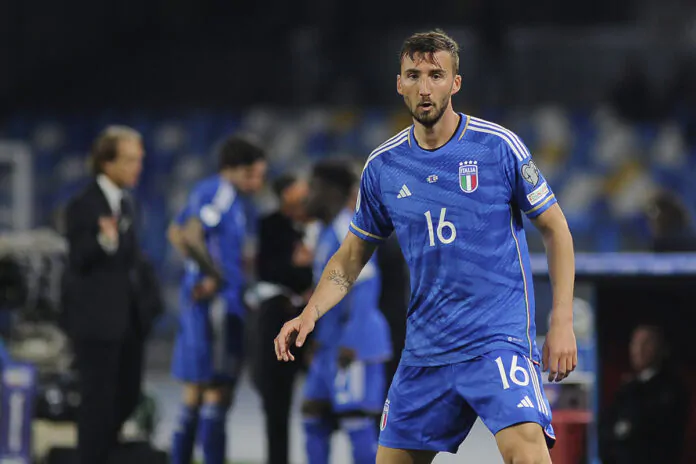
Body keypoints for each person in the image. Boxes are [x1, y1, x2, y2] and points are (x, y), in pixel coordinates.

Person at [275, 29, 577, 464]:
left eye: (436, 75)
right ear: (399, 83)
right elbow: (351, 257)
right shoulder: (384, 166)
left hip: (496, 341)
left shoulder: (497, 147)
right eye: (413, 75)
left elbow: (556, 229)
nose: (424, 87)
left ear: (455, 83)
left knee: (526, 453)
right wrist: (310, 313)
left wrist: (561, 319)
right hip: (426, 351)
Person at [167, 135, 267, 464]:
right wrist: (212, 275)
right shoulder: (218, 193)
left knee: (197, 392)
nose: (258, 183)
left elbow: (173, 231)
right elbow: (189, 234)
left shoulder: (228, 198)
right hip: (216, 307)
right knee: (215, 390)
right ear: (235, 169)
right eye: (254, 175)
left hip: (216, 303)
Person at [62, 126, 156, 464]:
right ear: (106, 162)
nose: (137, 167)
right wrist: (104, 241)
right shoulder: (82, 205)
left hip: (127, 322)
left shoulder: (127, 203)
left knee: (127, 397)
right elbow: (78, 258)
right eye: (130, 160)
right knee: (96, 404)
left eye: (139, 160)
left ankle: (103, 455)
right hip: (96, 323)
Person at [300, 160, 392, 464]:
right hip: (329, 344)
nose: (307, 195)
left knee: (356, 420)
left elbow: (366, 287)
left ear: (331, 192)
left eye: (312, 188)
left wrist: (351, 340)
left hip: (355, 344)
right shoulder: (322, 231)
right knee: (313, 414)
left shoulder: (347, 228)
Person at [252, 173, 314, 464]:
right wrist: (299, 267)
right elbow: (267, 271)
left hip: (314, 322)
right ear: (287, 193)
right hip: (279, 317)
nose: (307, 193)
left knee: (325, 404)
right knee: (276, 401)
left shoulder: (314, 224)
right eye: (301, 189)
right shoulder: (271, 225)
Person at [599, 325, 689, 464]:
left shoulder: (670, 388)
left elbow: (655, 431)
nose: (638, 349)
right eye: (635, 343)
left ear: (661, 348)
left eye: (647, 343)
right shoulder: (626, 387)